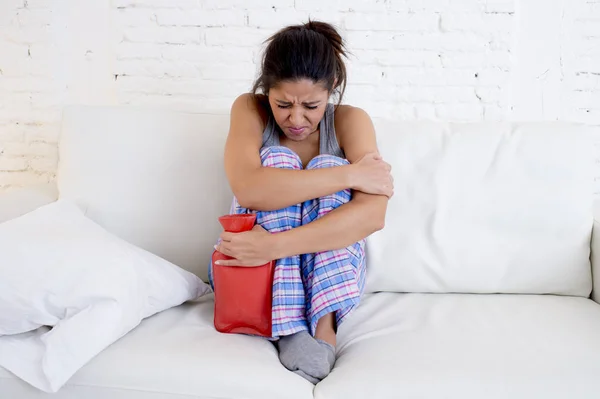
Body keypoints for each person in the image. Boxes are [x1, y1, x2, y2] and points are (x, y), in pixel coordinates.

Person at [210, 20, 393, 384]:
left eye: (311, 105)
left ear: (332, 89)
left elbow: (371, 216)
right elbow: (249, 188)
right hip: (250, 261)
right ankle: (290, 325)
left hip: (283, 254)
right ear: (267, 92)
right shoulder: (249, 109)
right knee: (279, 161)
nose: (296, 119)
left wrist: (272, 247)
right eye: (282, 104)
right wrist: (349, 175)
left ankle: (323, 327)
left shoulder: (349, 121)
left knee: (326, 161)